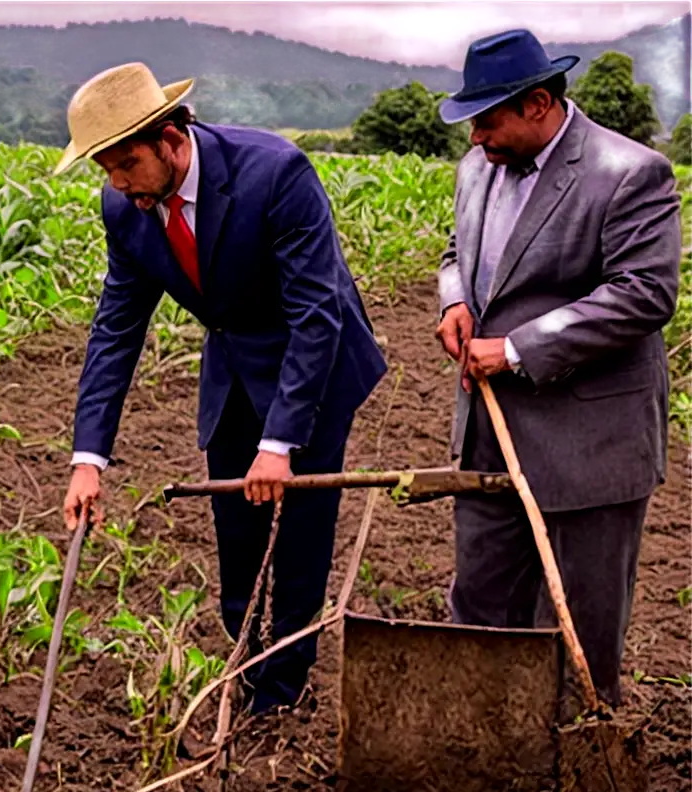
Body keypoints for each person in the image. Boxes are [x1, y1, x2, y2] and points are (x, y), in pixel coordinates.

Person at [57, 63, 387, 714]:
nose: (119, 185)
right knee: (236, 527)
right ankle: (245, 655)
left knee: (297, 533)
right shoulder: (126, 207)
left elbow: (315, 316)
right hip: (234, 364)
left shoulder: (275, 173)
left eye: (127, 165)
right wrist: (87, 459)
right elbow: (116, 330)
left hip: (311, 365)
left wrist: (281, 440)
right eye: (106, 171)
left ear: (172, 138)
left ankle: (283, 691)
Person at [435, 30, 681, 707]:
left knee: (580, 624)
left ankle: (577, 764)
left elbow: (644, 292)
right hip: (488, 430)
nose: (476, 137)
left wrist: (515, 349)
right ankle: (490, 756)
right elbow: (458, 254)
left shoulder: (627, 173)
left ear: (539, 103)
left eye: (487, 119)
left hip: (588, 444)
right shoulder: (476, 170)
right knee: (481, 604)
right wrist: (456, 302)